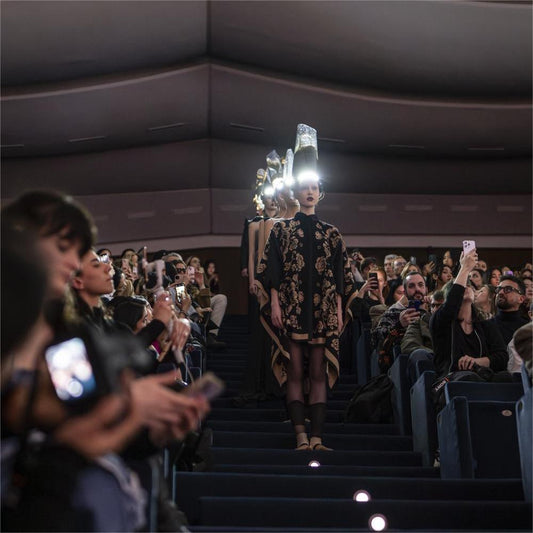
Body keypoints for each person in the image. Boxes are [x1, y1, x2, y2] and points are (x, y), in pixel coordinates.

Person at [256, 124, 355, 451]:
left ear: (320, 193)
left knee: (318, 372)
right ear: (296, 194)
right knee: (296, 371)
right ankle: (300, 435)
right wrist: (274, 303)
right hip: (292, 307)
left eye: (315, 187)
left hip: (325, 309)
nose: (310, 192)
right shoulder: (281, 231)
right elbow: (271, 270)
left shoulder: (333, 233)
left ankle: (317, 437)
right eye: (305, 188)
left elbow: (341, 278)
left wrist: (339, 310)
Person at [430, 248, 508, 378]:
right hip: (452, 379)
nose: (465, 287)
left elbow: (502, 357)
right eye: (462, 286)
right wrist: (465, 268)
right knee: (468, 377)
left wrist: (475, 362)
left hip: (483, 376)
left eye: (469, 285)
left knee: (506, 377)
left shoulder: (485, 324)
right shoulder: (440, 321)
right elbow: (451, 305)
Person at [372, 271, 428, 372]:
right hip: (404, 363)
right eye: (411, 286)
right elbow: (376, 336)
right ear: (405, 292)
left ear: (426, 289)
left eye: (420, 285)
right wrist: (399, 324)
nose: (417, 289)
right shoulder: (394, 312)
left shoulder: (434, 310)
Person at [401, 290, 444, 385]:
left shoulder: (459, 323)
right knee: (419, 354)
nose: (436, 309)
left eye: (440, 305)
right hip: (433, 364)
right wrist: (439, 356)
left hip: (455, 368)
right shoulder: (419, 323)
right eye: (433, 306)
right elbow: (409, 345)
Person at [488, 275, 528, 345]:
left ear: (521, 299)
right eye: (499, 289)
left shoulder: (527, 329)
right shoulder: (487, 326)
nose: (500, 293)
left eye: (508, 289)